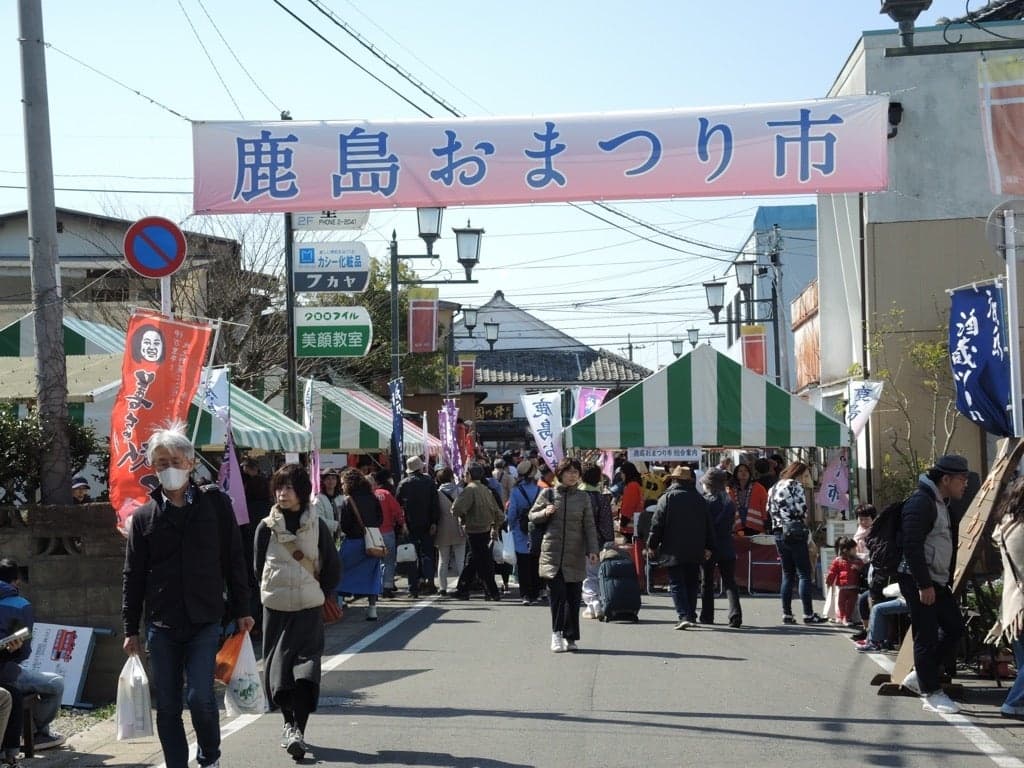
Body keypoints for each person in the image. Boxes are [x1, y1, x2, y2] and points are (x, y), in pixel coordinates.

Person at [122, 421, 254, 768]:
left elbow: (234, 560)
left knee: (199, 697)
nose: (170, 469)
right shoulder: (143, 517)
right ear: (153, 467)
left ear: (191, 463)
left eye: (176, 461)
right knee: (166, 704)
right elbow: (132, 576)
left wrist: (243, 607)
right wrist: (129, 628)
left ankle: (209, 756)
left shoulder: (215, 504)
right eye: (162, 463)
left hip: (206, 617)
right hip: (161, 622)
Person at [254, 463, 341, 761]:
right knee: (278, 675)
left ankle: (297, 731)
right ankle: (289, 725)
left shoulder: (318, 527)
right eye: (278, 487)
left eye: (289, 487)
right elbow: (257, 569)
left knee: (306, 671)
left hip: (308, 610)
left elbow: (331, 567)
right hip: (276, 611)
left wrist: (318, 594)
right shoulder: (265, 528)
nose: (282, 493)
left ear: (302, 492)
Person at [898, 454, 968, 715]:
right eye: (962, 479)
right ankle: (930, 692)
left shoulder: (942, 502)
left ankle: (921, 676)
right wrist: (923, 584)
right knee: (925, 634)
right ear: (946, 479)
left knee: (954, 628)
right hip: (919, 579)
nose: (965, 484)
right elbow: (912, 546)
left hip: (936, 580)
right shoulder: (921, 502)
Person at [529, 457, 599, 652]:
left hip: (575, 554)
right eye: (569, 471)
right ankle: (556, 634)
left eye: (576, 472)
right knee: (558, 596)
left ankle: (571, 637)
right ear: (560, 473)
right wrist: (545, 512)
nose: (572, 475)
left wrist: (593, 550)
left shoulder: (583, 497)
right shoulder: (548, 493)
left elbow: (589, 526)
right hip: (552, 554)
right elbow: (531, 515)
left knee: (573, 598)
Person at [0, 559, 64, 753]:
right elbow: (24, 649)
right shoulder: (20, 605)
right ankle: (39, 733)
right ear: (17, 580)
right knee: (56, 683)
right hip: (6, 669)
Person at [647, 465, 713, 630]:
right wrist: (708, 546)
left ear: (674, 479)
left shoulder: (667, 498)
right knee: (691, 582)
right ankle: (691, 615)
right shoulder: (700, 499)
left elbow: (657, 525)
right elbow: (708, 526)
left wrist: (651, 545)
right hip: (695, 547)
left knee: (677, 582)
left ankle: (683, 615)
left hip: (672, 548)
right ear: (690, 480)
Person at [768, 460, 825, 625]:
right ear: (799, 473)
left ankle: (787, 613)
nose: (807, 478)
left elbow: (768, 510)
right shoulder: (795, 486)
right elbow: (799, 509)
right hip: (795, 531)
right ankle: (808, 614)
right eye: (806, 475)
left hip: (779, 531)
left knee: (787, 573)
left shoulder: (774, 488)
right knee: (804, 573)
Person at [987, 476, 1024, 718]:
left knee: (1023, 663)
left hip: (1012, 605)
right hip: (1021, 604)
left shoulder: (1006, 525)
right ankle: (1012, 703)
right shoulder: (1021, 529)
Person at [336, 469, 386, 621]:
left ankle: (339, 606)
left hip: (353, 542)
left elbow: (344, 525)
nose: (342, 486)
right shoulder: (373, 498)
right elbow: (380, 520)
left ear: (349, 484)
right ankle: (372, 609)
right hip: (373, 544)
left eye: (343, 483)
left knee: (341, 573)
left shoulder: (348, 500)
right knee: (372, 575)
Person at [452, 464, 504, 601]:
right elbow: (499, 513)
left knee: (481, 561)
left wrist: (463, 518)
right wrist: (495, 527)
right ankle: (466, 588)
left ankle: (491, 591)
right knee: (476, 559)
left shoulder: (470, 490)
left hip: (473, 529)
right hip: (486, 528)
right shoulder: (486, 489)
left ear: (469, 474)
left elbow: (456, 508)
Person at [700, 469, 742, 628]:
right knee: (730, 582)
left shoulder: (705, 502)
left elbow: (703, 526)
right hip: (726, 545)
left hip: (709, 547)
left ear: (709, 485)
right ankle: (735, 615)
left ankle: (707, 615)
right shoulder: (729, 503)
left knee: (707, 582)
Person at [395, 456, 440, 598]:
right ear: (420, 468)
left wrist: (402, 524)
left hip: (410, 524)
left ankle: (413, 588)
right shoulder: (429, 482)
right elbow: (435, 504)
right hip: (427, 523)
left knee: (411, 555)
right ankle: (430, 583)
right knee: (427, 553)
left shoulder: (403, 483)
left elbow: (398, 506)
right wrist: (434, 522)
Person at [579, 462, 615, 619]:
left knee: (584, 575)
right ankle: (596, 601)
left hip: (578, 541)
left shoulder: (577, 496)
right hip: (597, 542)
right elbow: (607, 523)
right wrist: (609, 541)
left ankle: (592, 603)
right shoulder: (602, 497)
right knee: (594, 573)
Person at [506, 459, 542, 605]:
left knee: (523, 564)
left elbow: (512, 513)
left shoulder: (516, 491)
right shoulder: (540, 490)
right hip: (537, 530)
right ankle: (537, 592)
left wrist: (511, 526)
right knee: (535, 563)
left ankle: (525, 594)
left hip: (520, 530)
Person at [371, 469, 406, 599]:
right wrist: (402, 523)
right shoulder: (385, 494)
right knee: (389, 561)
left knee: (376, 561)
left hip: (372, 533)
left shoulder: (369, 496)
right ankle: (387, 587)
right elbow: (397, 510)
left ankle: (376, 587)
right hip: (387, 531)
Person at [433, 467, 466, 596]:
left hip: (443, 529)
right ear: (452, 477)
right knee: (460, 560)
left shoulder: (436, 494)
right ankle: (463, 585)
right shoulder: (460, 491)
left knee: (443, 560)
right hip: (459, 528)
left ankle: (442, 588)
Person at [854, 582, 908, 652]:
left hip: (907, 600)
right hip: (903, 597)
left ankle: (875, 643)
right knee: (867, 601)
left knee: (877, 609)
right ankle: (871, 636)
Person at [826, 536, 865, 626]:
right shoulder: (838, 561)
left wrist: (858, 568)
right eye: (853, 549)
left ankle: (847, 618)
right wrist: (829, 581)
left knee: (851, 604)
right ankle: (843, 617)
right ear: (845, 550)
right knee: (841, 603)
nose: (856, 550)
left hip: (854, 587)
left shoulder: (858, 561)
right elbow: (832, 572)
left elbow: (863, 569)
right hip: (842, 587)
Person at [729, 463, 768, 536]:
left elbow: (765, 505)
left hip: (755, 525)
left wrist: (766, 523)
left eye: (746, 470)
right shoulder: (731, 490)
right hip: (738, 526)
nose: (743, 473)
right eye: (740, 471)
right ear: (736, 474)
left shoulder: (759, 488)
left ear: (750, 473)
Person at [617, 461, 644, 542]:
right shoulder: (636, 484)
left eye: (622, 473)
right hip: (634, 524)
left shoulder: (632, 486)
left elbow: (629, 507)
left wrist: (623, 523)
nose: (621, 476)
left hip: (630, 526)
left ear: (627, 473)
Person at [312, 470, 341, 542]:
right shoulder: (318, 499)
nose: (331, 481)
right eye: (328, 478)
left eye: (333, 478)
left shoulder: (341, 497)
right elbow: (319, 520)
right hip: (325, 538)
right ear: (323, 481)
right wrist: (337, 526)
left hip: (341, 536)